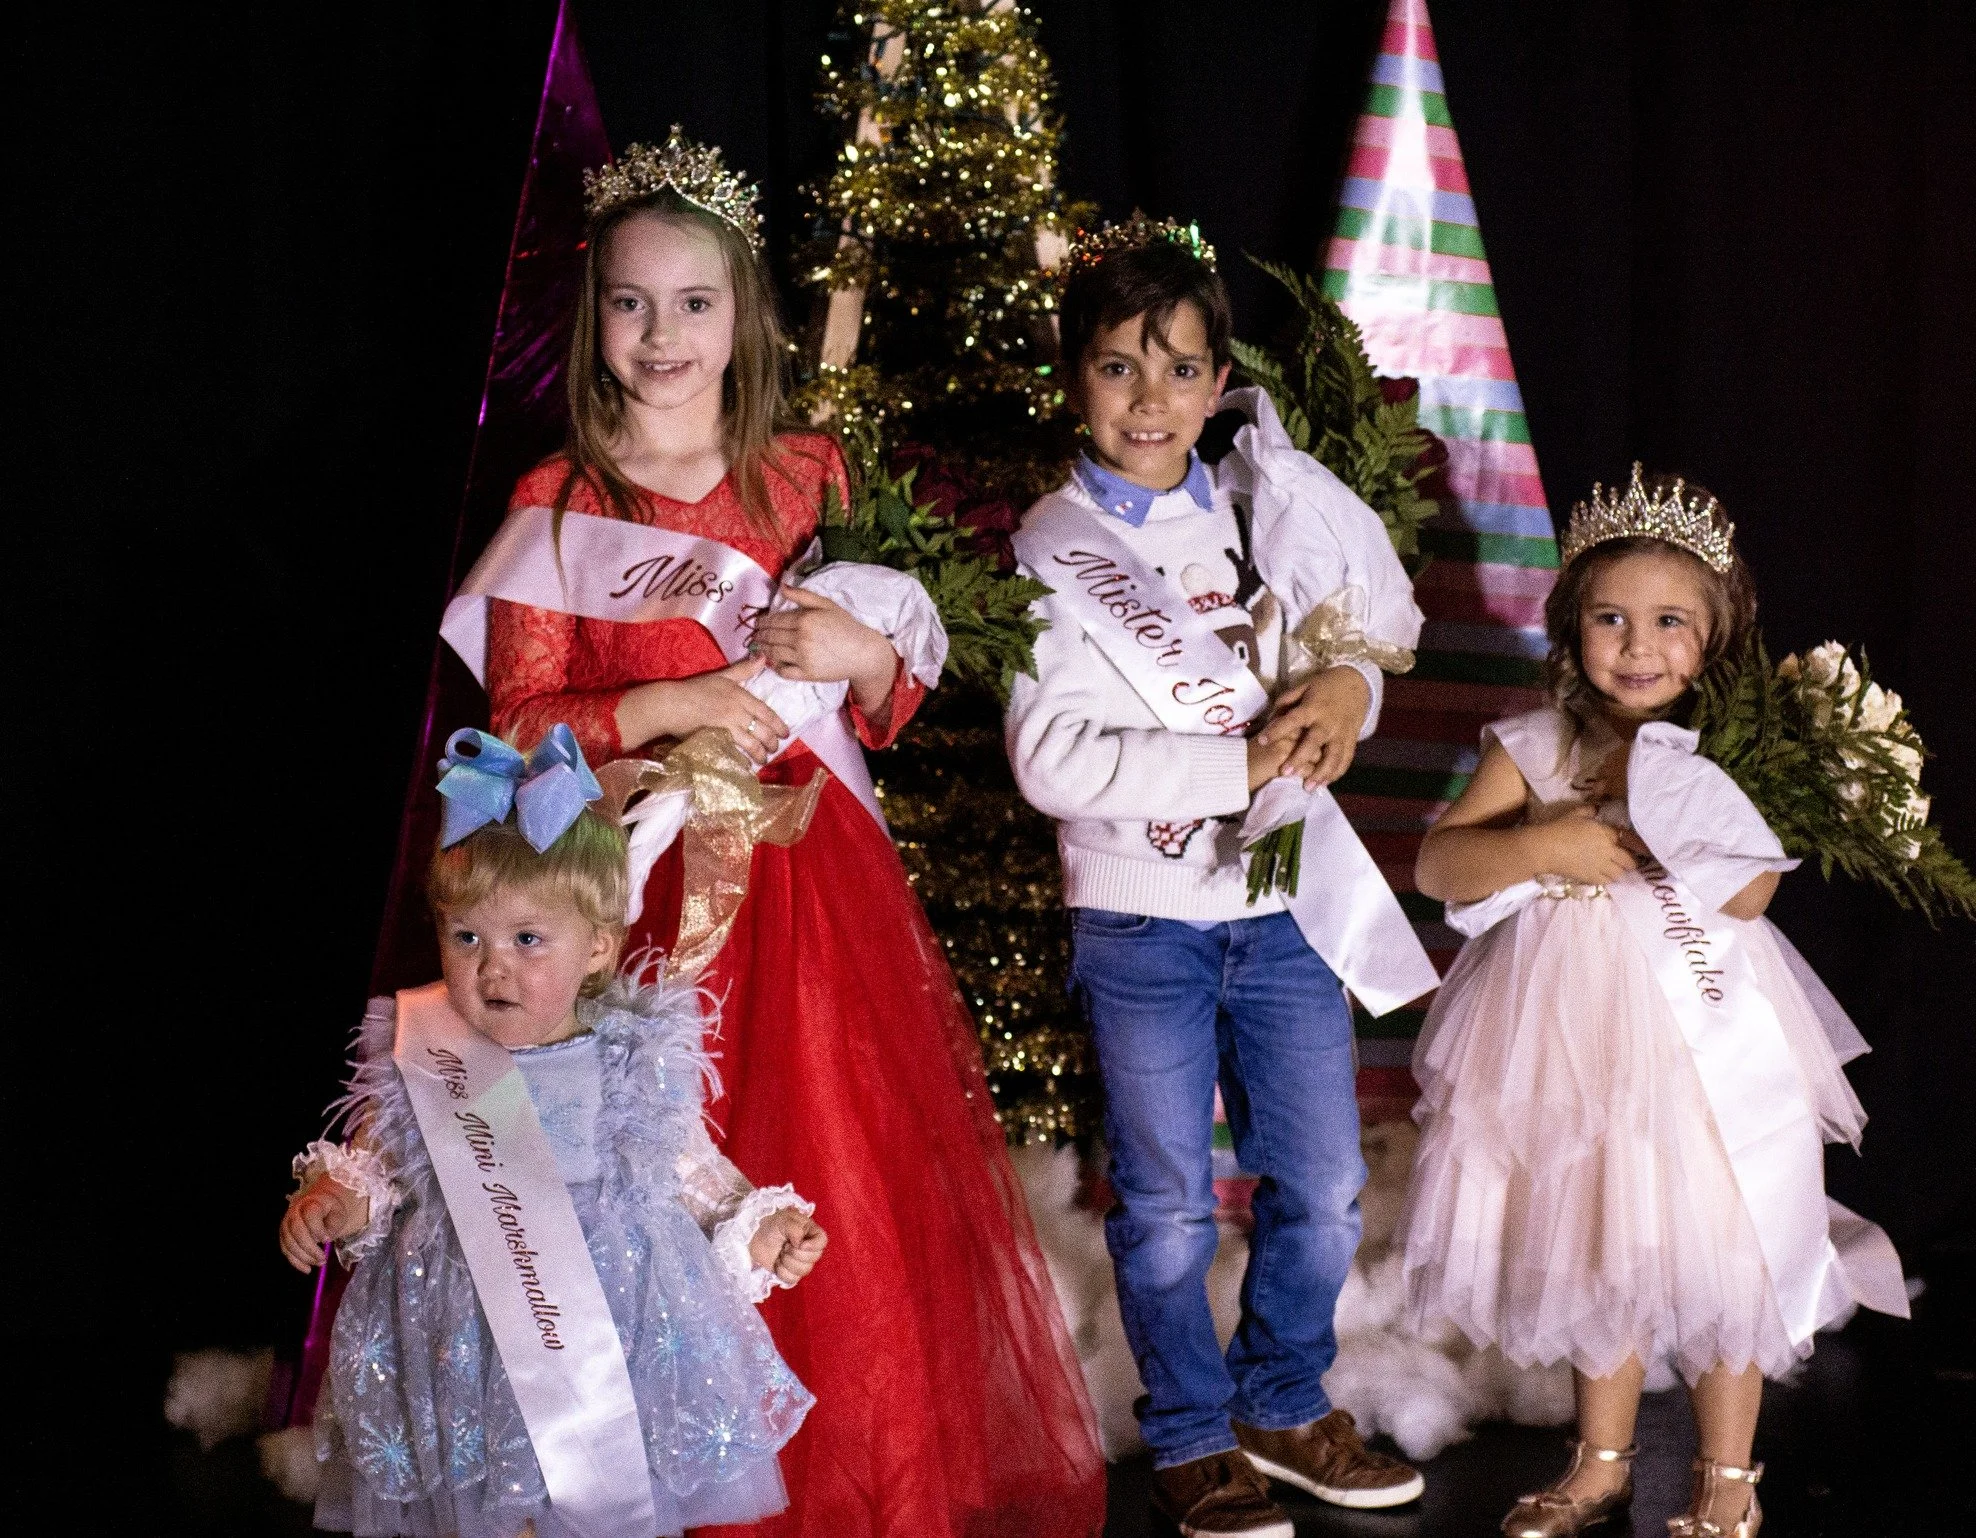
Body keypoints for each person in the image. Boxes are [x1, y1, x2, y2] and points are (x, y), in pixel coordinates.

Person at [439, 130, 1105, 1538]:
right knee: (646, 1183)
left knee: (835, 1172)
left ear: (743, 317)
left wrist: (862, 650)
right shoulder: (556, 502)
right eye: (631, 302)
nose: (661, 331)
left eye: (693, 303)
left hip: (808, 879)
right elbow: (520, 726)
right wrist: (677, 693)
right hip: (631, 889)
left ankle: (833, 1481)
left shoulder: (807, 471)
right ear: (593, 320)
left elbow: (881, 696)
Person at [1004, 218, 1436, 1538]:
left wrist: (1349, 693)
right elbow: (1051, 757)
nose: (1154, 398)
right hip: (1143, 919)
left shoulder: (1273, 500)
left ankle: (1283, 1402)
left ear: (1216, 377)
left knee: (1321, 1180)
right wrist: (1236, 762)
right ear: (1076, 379)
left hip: (1287, 904)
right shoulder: (1049, 548)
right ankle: (1191, 1432)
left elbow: (1356, 637)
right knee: (1172, 1197)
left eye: (1182, 368)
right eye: (1122, 368)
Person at [1399, 469, 1910, 1538]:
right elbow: (1439, 866)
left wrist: (1668, 813)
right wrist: (1542, 842)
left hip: (1699, 1026)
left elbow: (1752, 891)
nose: (1637, 646)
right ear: (1570, 626)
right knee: (1600, 1234)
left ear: (1715, 635)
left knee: (1718, 1229)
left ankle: (1728, 1473)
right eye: (1609, 618)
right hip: (1563, 1031)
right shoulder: (1535, 744)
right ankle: (1598, 1462)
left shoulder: (1736, 754)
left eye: (1669, 621)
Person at [282, 723, 828, 1538]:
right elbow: (377, 1173)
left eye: (527, 940)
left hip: (611, 1338)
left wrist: (761, 1227)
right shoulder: (424, 1058)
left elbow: (693, 1176)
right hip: (458, 1343)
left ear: (599, 948)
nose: (491, 966)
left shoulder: (629, 1061)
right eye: (466, 937)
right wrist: (335, 1201)